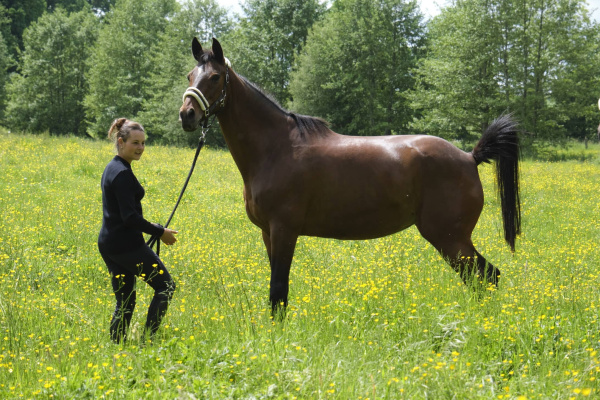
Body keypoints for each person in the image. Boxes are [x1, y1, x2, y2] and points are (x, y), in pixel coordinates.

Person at [98, 118, 178, 343]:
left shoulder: (113, 167)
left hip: (110, 243)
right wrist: (160, 231)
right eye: (135, 143)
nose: (141, 148)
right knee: (166, 286)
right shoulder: (122, 173)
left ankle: (116, 344)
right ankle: (149, 339)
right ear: (121, 142)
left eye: (143, 143)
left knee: (125, 300)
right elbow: (130, 218)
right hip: (126, 245)